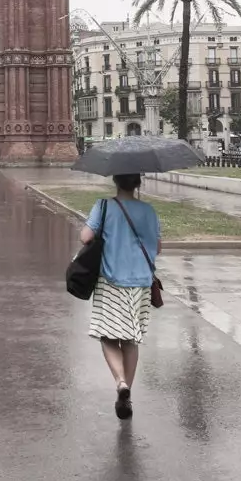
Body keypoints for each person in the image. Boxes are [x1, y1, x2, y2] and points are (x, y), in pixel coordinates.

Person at [80, 173, 161, 421]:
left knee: (107, 335)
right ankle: (128, 392)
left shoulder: (104, 206)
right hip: (141, 283)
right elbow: (157, 248)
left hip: (111, 279)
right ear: (138, 183)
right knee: (130, 339)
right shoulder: (149, 211)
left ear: (116, 181)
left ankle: (120, 382)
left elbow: (85, 237)